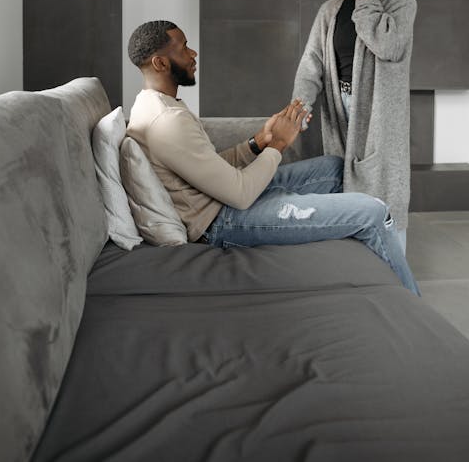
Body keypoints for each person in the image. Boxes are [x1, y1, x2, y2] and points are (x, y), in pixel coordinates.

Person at [126, 20, 419, 295]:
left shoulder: (156, 105)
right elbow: (240, 195)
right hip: (221, 221)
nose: (193, 53)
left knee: (335, 169)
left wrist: (258, 142)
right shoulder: (166, 122)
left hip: (220, 199)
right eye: (183, 48)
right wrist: (277, 145)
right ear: (160, 63)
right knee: (372, 212)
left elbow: (209, 166)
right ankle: (410, 303)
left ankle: (364, 271)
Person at [293, 0, 416, 252]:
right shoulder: (330, 10)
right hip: (340, 110)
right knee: (345, 194)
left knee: (383, 198)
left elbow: (387, 45)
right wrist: (300, 104)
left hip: (378, 118)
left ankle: (394, 280)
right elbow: (311, 64)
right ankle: (354, 274)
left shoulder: (401, 5)